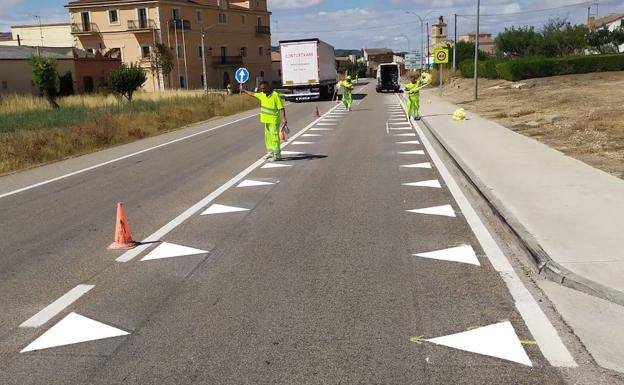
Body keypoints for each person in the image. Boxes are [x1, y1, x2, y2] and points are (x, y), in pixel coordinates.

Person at [241, 81, 287, 161]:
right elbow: (253, 94)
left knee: (274, 137)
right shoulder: (262, 95)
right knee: (268, 137)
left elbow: (281, 107)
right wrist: (244, 90)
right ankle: (270, 153)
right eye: (261, 89)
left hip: (273, 120)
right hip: (266, 120)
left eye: (264, 88)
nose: (262, 90)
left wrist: (283, 118)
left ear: (268, 87)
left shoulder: (275, 95)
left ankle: (277, 155)